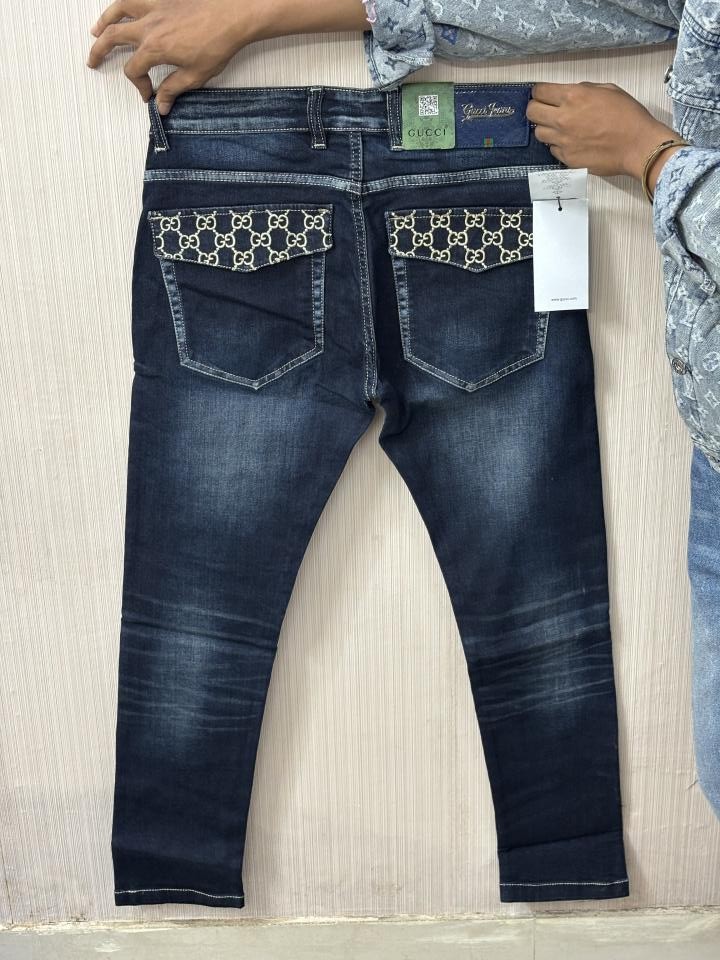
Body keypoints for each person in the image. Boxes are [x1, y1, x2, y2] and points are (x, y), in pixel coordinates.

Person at [87, 0, 720, 819]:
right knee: (531, 606)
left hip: (255, 184)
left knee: (202, 610)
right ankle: (563, 859)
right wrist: (266, 13)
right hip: (464, 181)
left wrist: (654, 157)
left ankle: (173, 863)